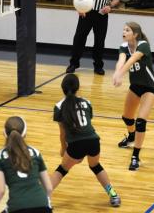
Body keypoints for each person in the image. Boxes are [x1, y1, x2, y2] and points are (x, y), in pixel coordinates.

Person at [50, 74, 121, 207]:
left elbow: (62, 134)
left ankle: (44, 199)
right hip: (93, 141)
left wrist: (64, 149)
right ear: (78, 88)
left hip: (76, 144)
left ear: (62, 88)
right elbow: (86, 126)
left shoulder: (59, 106)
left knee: (61, 170)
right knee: (96, 166)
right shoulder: (87, 102)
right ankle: (113, 195)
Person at [113, 22, 154, 171]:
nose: (124, 32)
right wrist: (116, 72)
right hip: (135, 87)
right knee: (127, 117)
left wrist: (121, 74)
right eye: (123, 29)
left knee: (140, 121)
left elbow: (131, 60)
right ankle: (131, 136)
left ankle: (135, 156)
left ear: (135, 34)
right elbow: (121, 61)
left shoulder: (143, 45)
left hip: (149, 87)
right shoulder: (124, 46)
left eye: (127, 30)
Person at [0, 116, 53, 213]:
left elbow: (0, 190)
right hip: (43, 205)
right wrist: (47, 203)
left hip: (17, 207)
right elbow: (49, 187)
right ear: (25, 134)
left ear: (4, 133)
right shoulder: (36, 152)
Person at [66, 0, 120, 75]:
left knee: (100, 40)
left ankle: (98, 66)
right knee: (79, 38)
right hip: (86, 12)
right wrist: (79, 6)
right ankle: (73, 64)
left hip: (102, 14)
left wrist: (110, 6)